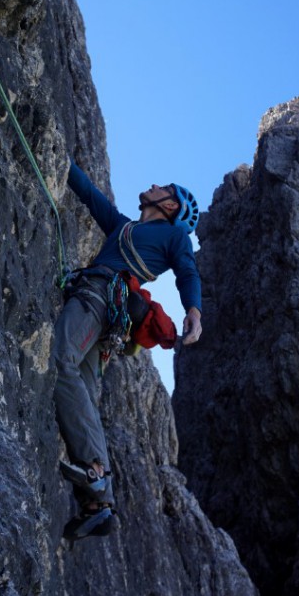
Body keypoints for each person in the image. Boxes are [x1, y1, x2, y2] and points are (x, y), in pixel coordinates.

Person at [53, 160, 202, 542]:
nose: (153, 184)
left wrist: (194, 311)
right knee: (79, 388)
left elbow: (187, 271)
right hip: (105, 312)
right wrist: (61, 157)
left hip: (99, 298)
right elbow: (89, 194)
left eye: (163, 186)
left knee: (60, 362)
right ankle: (98, 501)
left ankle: (93, 472)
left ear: (171, 206)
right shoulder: (123, 227)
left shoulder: (174, 239)